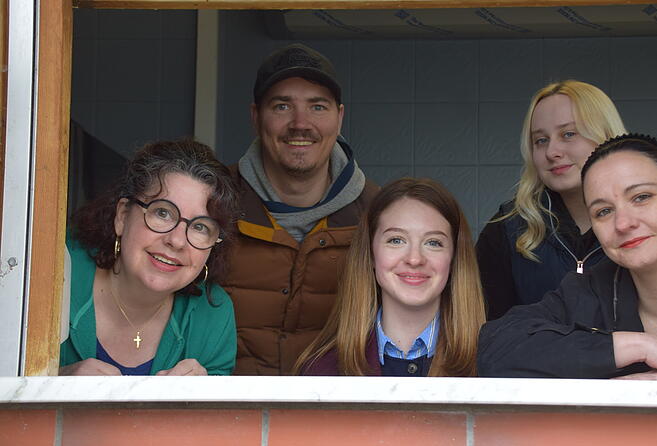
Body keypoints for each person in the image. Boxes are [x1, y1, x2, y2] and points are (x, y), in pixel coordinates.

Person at [477, 134, 657, 381]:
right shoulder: (589, 292)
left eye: (641, 197)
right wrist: (639, 346)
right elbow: (494, 349)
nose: (623, 223)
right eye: (603, 211)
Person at [222, 43, 379, 375]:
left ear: (339, 117)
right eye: (282, 106)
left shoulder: (380, 216)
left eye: (317, 107)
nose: (300, 123)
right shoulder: (211, 203)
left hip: (337, 418)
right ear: (255, 117)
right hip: (225, 416)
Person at [60, 139, 239, 376]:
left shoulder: (214, 312)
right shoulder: (56, 275)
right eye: (162, 213)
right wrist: (54, 381)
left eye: (200, 227)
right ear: (123, 216)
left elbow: (222, 410)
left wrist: (203, 399)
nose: (176, 241)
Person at [296, 178, 485, 377]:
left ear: (454, 258)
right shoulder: (320, 370)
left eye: (433, 242)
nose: (414, 259)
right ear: (370, 253)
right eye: (396, 240)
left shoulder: (491, 365)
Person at [476, 80, 627, 321]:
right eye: (541, 140)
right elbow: (489, 335)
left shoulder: (644, 222)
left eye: (568, 134)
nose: (551, 152)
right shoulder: (507, 230)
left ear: (606, 136)